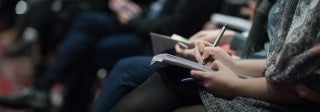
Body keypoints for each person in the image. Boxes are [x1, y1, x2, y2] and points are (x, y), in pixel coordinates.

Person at [0, 0, 221, 111]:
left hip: (157, 40)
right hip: (141, 25)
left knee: (90, 46)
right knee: (85, 21)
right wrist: (132, 9)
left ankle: (50, 91)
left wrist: (133, 19)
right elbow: (156, 9)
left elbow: (169, 24)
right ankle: (51, 91)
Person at [110, 0, 320, 111]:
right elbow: (279, 60)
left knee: (138, 71)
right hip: (265, 74)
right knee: (165, 74)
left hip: (285, 96)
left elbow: (302, 87)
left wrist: (237, 82)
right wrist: (232, 64)